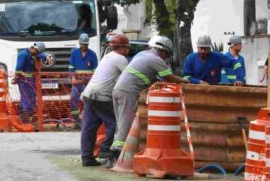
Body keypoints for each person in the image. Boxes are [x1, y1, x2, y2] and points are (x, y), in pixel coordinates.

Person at [108, 35, 190, 167]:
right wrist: (184, 81)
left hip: (118, 89)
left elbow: (150, 77)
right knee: (126, 124)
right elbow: (169, 78)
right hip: (128, 92)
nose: (165, 58)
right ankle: (117, 158)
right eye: (166, 55)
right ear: (162, 51)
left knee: (120, 123)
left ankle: (112, 156)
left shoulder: (142, 54)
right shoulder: (156, 59)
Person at [79, 34, 130, 167]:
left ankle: (87, 157)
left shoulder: (106, 57)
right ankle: (105, 153)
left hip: (89, 94)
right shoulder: (120, 59)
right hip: (102, 96)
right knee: (115, 124)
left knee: (89, 127)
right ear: (123, 48)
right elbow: (130, 77)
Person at [12, 42, 49, 123]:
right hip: (24, 82)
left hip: (30, 81)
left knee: (31, 100)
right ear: (34, 49)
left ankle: (28, 120)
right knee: (27, 101)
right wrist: (16, 78)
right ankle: (25, 121)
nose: (37, 54)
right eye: (37, 52)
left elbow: (40, 55)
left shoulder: (32, 53)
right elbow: (18, 69)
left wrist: (45, 57)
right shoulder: (23, 55)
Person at [68, 33, 98, 124]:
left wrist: (93, 82)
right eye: (82, 44)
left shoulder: (92, 55)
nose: (84, 46)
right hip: (77, 82)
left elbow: (95, 70)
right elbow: (71, 67)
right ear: (79, 43)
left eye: (85, 44)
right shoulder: (74, 53)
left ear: (88, 44)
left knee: (89, 100)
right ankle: (75, 119)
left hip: (89, 83)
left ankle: (88, 120)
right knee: (73, 98)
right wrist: (72, 78)